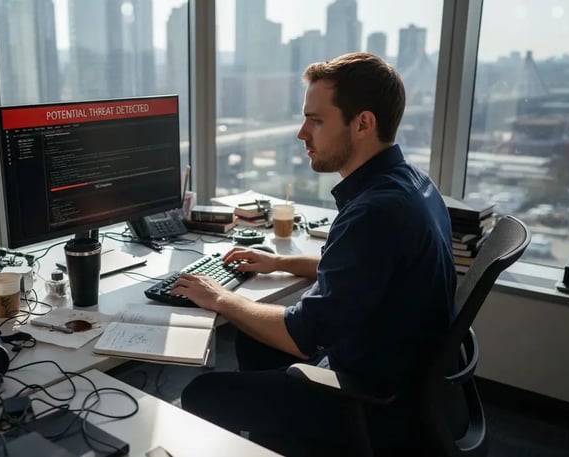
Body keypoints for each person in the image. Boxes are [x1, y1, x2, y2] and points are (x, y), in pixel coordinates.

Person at [171, 52, 457, 454]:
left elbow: (303, 336)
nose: (301, 133)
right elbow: (366, 269)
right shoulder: (411, 183)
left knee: (204, 391)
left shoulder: (374, 212)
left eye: (316, 120)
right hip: (404, 373)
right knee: (252, 343)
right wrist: (280, 262)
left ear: (363, 124)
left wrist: (218, 297)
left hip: (370, 396)